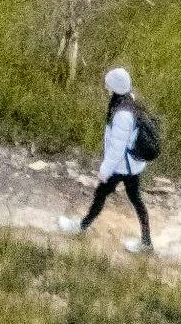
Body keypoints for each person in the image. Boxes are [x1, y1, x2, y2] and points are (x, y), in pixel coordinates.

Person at [59, 66, 153, 253]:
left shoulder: (122, 115)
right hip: (133, 166)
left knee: (100, 195)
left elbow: (117, 148)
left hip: (121, 167)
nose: (106, 88)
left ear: (115, 88)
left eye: (108, 85)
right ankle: (146, 242)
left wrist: (105, 170)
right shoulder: (131, 101)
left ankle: (81, 227)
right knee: (136, 201)